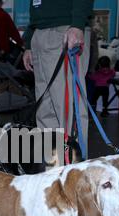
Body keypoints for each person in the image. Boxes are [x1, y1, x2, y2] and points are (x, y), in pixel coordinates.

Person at [23, 0, 94, 160]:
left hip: (64, 30)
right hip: (40, 32)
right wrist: (30, 40)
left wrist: (77, 24)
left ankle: (75, 172)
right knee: (45, 110)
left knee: (67, 110)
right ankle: (52, 171)